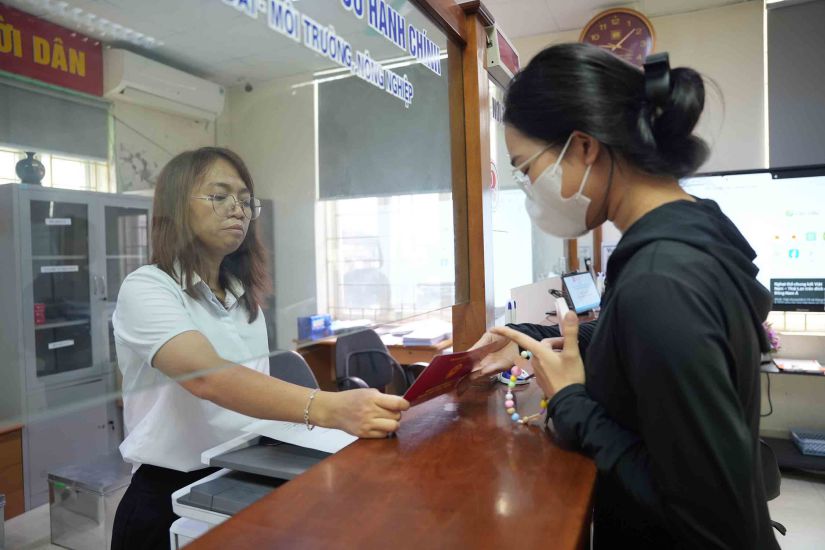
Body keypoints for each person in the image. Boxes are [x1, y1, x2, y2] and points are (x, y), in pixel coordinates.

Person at [472, 44, 779, 549]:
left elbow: (710, 521)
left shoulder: (661, 281)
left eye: (526, 169)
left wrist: (570, 402)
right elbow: (631, 335)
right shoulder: (690, 235)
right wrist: (530, 338)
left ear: (584, 148)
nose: (528, 188)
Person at [111, 147, 409, 549]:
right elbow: (207, 377)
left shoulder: (242, 297)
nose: (238, 210)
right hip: (167, 494)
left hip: (242, 473)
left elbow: (250, 395)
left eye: (245, 200)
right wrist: (329, 408)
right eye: (219, 197)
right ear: (177, 208)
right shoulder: (147, 287)